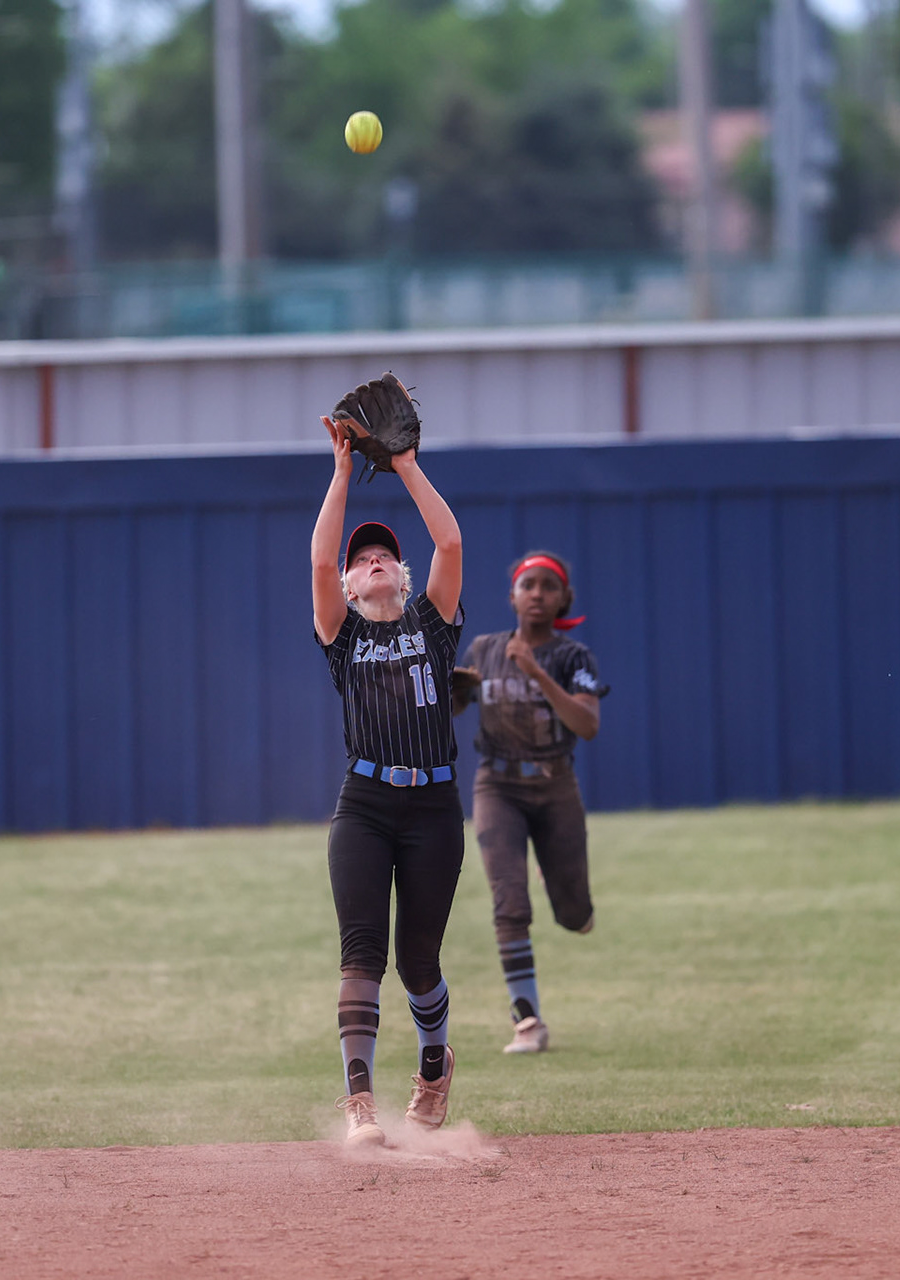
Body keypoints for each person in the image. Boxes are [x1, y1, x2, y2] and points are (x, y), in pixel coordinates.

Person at [311, 402, 465, 1149]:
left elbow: (449, 538)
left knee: (418, 961)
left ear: (400, 576)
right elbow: (318, 560)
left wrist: (404, 466)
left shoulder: (431, 623)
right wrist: (342, 471)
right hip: (365, 805)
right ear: (346, 586)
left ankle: (434, 1065)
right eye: (359, 559)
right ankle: (361, 1105)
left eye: (381, 556)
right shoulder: (342, 639)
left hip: (434, 807)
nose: (369, 560)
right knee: (361, 950)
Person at [451, 551, 607, 1055]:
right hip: (498, 786)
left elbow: (587, 725)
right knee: (509, 904)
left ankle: (556, 874)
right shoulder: (486, 648)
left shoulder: (572, 657)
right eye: (527, 585)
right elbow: (449, 708)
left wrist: (537, 674)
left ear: (564, 599)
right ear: (512, 596)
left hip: (555, 785)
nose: (537, 593)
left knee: (573, 914)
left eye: (548, 586)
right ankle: (528, 1020)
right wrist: (451, 690)